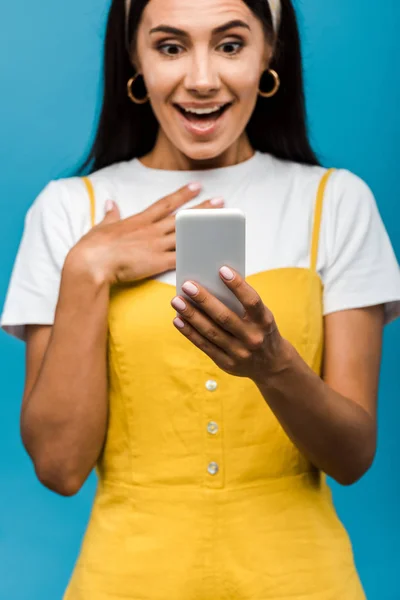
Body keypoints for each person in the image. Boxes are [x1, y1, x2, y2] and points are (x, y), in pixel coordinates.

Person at [2, 0, 400, 597]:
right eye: (170, 47)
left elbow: (351, 458)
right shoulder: (69, 210)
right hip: (126, 579)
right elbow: (60, 469)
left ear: (271, 54)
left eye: (231, 45)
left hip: (300, 579)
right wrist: (89, 269)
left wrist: (275, 366)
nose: (202, 79)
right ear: (133, 60)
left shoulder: (337, 202)